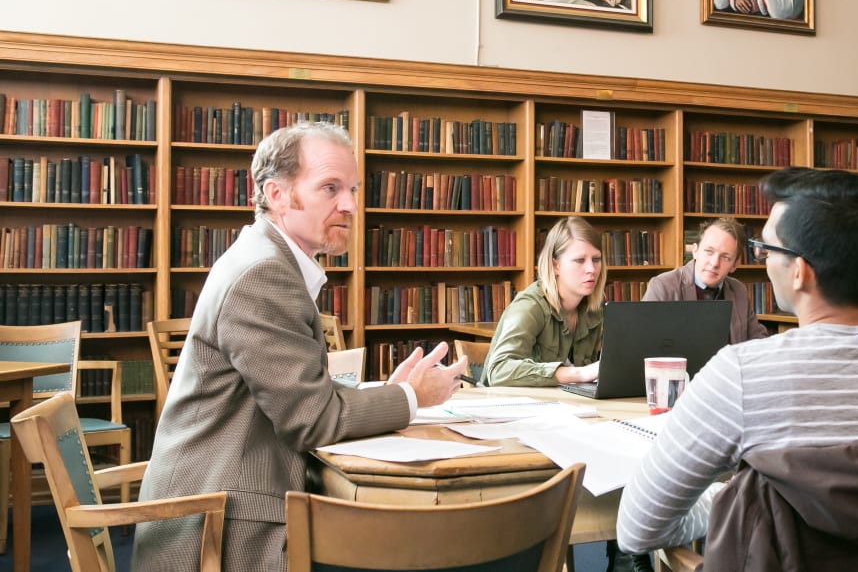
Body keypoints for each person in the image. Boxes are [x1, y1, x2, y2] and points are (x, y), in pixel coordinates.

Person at [133, 122, 469, 571]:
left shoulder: (267, 258)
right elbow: (311, 420)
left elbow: (304, 395)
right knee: (418, 549)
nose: (349, 205)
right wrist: (412, 397)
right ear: (277, 195)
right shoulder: (263, 275)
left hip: (233, 495)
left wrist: (388, 393)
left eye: (351, 189)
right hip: (219, 525)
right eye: (330, 188)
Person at [616, 167, 858, 552]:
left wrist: (736, 499)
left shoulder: (738, 377)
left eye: (767, 249)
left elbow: (637, 529)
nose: (762, 260)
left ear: (799, 271)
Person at [481, 216, 607, 386]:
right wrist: (579, 373)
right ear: (556, 266)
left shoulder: (594, 310)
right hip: (513, 407)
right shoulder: (530, 306)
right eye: (579, 260)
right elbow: (499, 370)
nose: (591, 269)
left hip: (567, 406)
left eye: (596, 259)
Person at [641, 217, 768, 344]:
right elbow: (644, 341)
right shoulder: (663, 287)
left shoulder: (738, 290)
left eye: (725, 257)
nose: (714, 263)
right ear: (695, 251)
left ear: (735, 264)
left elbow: (758, 341)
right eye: (709, 251)